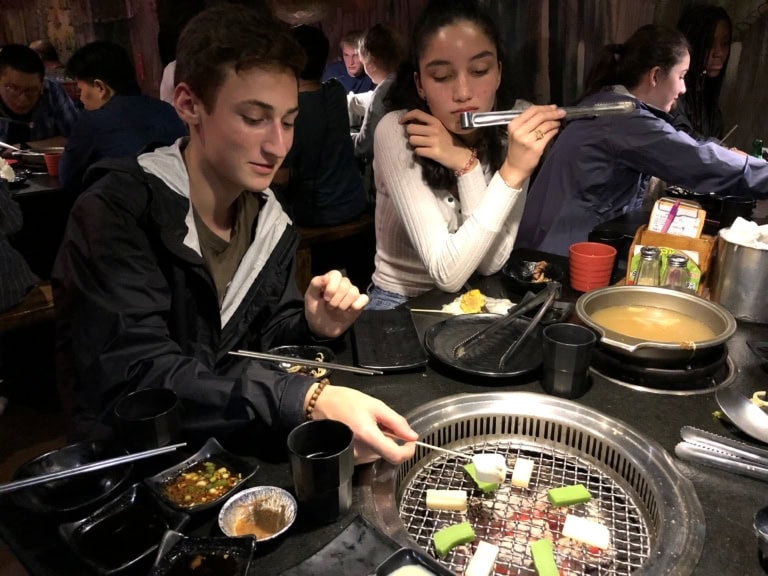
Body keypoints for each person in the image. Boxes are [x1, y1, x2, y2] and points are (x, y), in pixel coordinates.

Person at [52, 4, 417, 465]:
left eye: (287, 121)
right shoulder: (117, 212)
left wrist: (310, 323)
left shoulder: (269, 219)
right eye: (253, 117)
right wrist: (306, 399)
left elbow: (261, 335)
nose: (278, 145)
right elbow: (138, 376)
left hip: (228, 447)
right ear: (188, 105)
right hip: (133, 466)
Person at [366, 0, 564, 310]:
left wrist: (464, 165)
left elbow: (491, 263)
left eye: (479, 70)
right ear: (420, 84)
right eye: (442, 76)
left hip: (473, 299)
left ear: (498, 72)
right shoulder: (398, 130)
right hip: (397, 305)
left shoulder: (514, 126)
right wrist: (505, 172)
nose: (462, 92)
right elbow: (446, 273)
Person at [516, 24, 768, 257]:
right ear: (656, 75)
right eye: (681, 76)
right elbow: (697, 160)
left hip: (542, 243)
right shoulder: (625, 120)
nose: (683, 89)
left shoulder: (607, 102)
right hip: (555, 253)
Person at [59, 41, 187, 190]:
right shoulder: (168, 111)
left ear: (100, 87)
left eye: (81, 89)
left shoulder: (92, 122)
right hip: (180, 203)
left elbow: (67, 178)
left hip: (122, 207)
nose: (80, 98)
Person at [278, 25, 366, 227]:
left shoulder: (293, 111)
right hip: (354, 201)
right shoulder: (335, 91)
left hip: (319, 213)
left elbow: (281, 178)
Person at [0, 44, 78, 148]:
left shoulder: (51, 91)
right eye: (12, 88)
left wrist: (25, 147)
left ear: (42, 85)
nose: (23, 99)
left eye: (31, 90)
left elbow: (76, 136)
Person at [673, 4, 732, 141]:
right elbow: (682, 141)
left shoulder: (711, 109)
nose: (719, 53)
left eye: (725, 43)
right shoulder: (672, 95)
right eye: (709, 44)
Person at [353, 24, 406, 162]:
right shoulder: (406, 79)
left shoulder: (382, 94)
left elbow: (365, 147)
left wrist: (343, 137)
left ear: (370, 64)